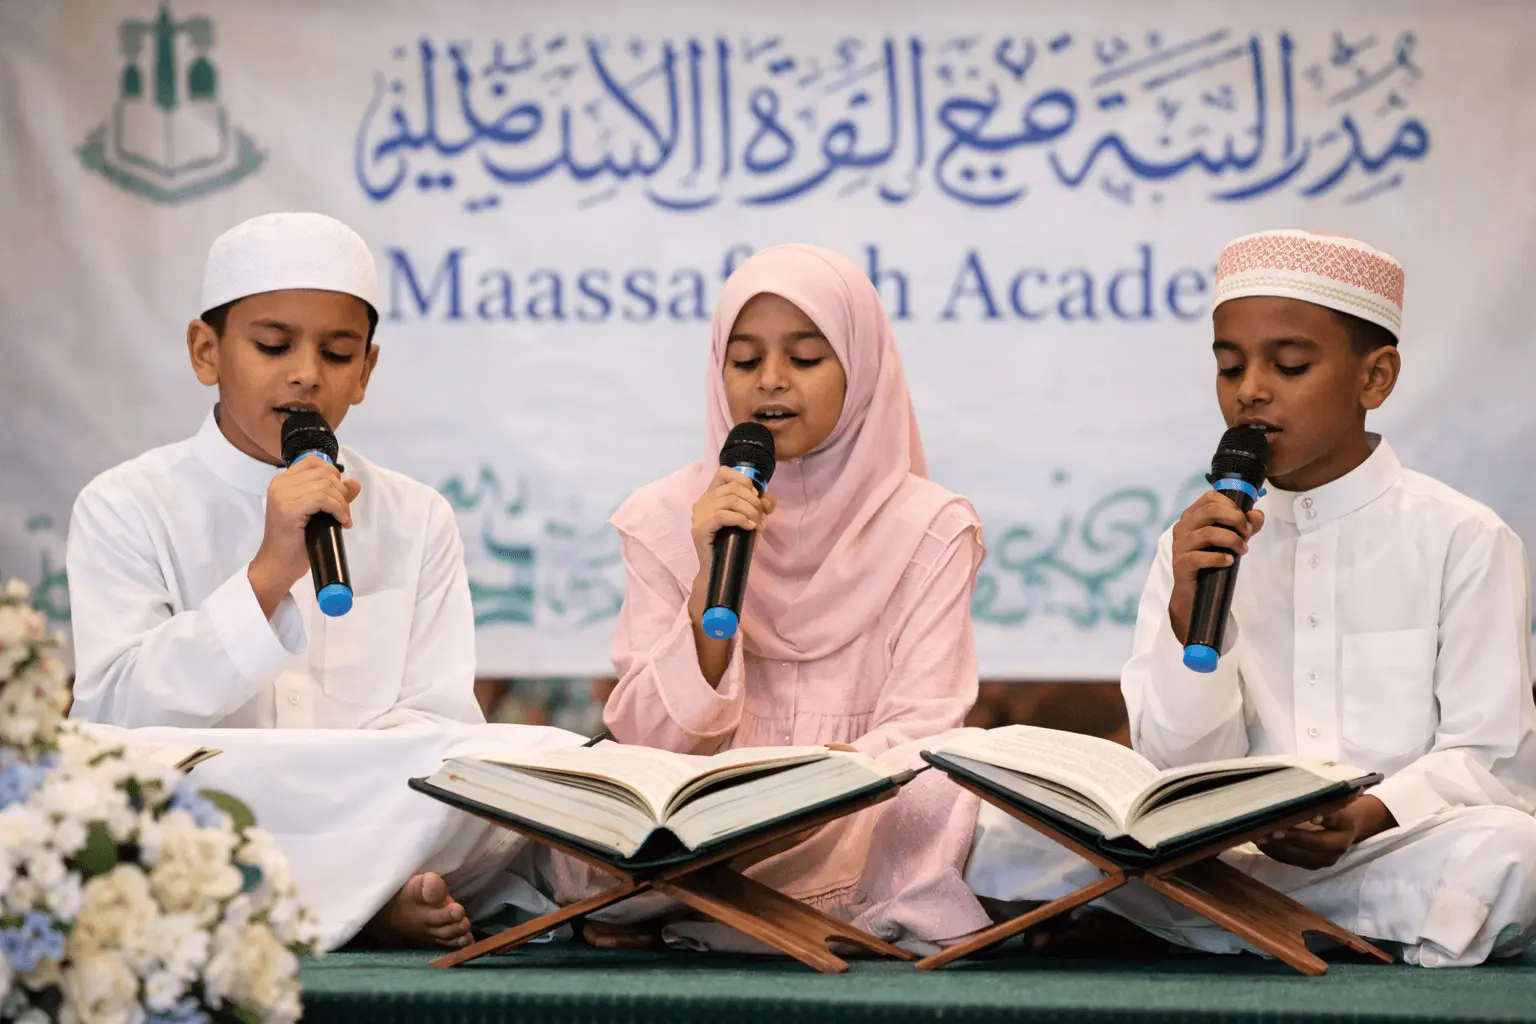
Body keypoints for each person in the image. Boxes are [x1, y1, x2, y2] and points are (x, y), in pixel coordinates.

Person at [962, 229, 1536, 966]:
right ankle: (1304, 928)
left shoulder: (1463, 537)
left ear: (1376, 378)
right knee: (993, 830)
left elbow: (1490, 758)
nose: (1250, 390)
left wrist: (1366, 816)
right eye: (1230, 366)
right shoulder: (1195, 545)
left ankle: (1195, 929)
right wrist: (1187, 624)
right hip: (1222, 859)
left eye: (1289, 365)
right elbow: (1175, 765)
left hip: (1386, 848)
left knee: (1512, 853)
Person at [66, 212, 488, 948]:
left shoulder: (416, 515)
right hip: (204, 821)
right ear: (206, 351)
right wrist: (266, 577)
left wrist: (364, 808)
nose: (306, 373)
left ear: (366, 371)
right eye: (273, 345)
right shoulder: (125, 504)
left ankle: (355, 890)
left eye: (337, 352)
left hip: (368, 811)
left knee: (508, 761)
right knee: (112, 785)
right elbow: (113, 714)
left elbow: (437, 719)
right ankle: (364, 904)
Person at [595, 242, 985, 924]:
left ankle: (687, 911)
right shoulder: (662, 519)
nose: (771, 381)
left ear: (862, 367)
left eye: (804, 358)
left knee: (952, 788)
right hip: (699, 819)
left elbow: (922, 725)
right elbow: (648, 740)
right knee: (568, 792)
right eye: (746, 361)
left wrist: (807, 789)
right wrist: (707, 583)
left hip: (852, 809)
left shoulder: (932, 526)